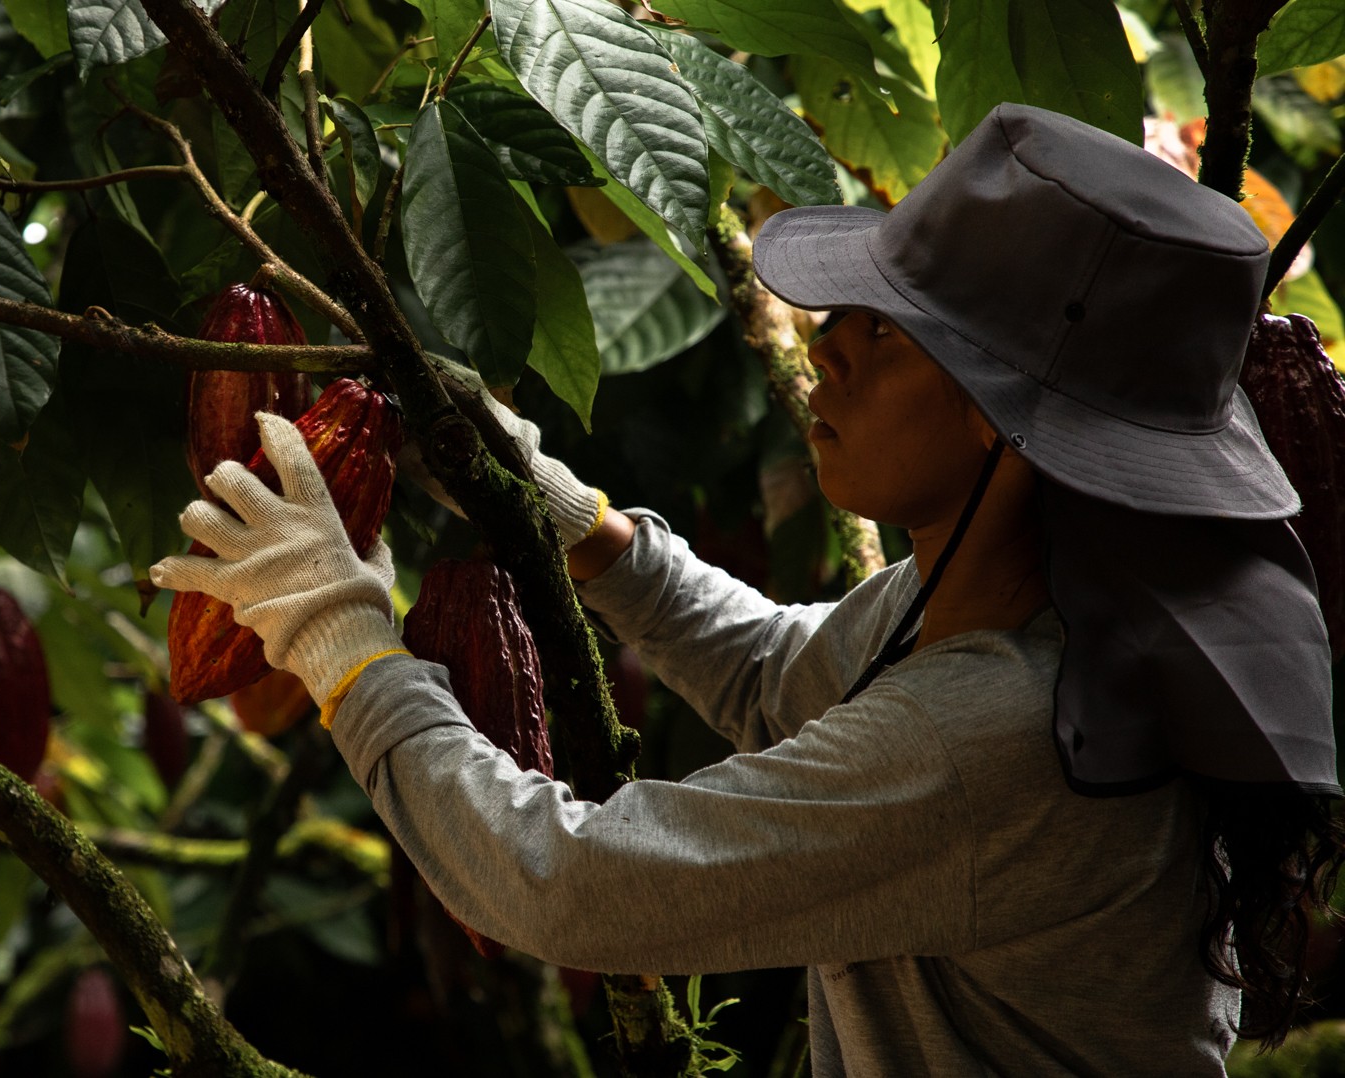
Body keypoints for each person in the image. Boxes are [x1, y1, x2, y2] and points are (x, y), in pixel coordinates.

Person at [150, 103, 1344, 1076]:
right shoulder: (1045, 603)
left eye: (890, 335)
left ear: (1007, 426)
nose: (826, 341)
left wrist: (338, 635)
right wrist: (560, 508)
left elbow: (562, 883)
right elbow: (782, 674)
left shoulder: (995, 740)